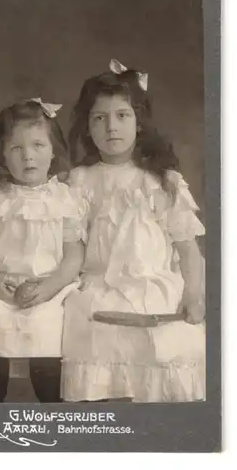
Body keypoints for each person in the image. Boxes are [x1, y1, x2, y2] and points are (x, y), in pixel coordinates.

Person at [61, 59, 205, 403]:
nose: (112, 127)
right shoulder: (80, 182)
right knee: (93, 335)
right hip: (100, 289)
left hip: (154, 290)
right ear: (87, 127)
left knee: (167, 354)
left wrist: (194, 295)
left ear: (139, 123)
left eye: (122, 116)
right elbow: (75, 251)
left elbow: (188, 250)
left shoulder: (161, 181)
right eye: (100, 118)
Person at [0, 98, 84, 403]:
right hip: (0, 283)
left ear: (53, 150)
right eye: (16, 148)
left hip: (48, 286)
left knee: (48, 330)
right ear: (2, 154)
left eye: (37, 145)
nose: (28, 156)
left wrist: (51, 286)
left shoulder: (65, 198)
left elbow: (74, 254)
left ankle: (53, 415)